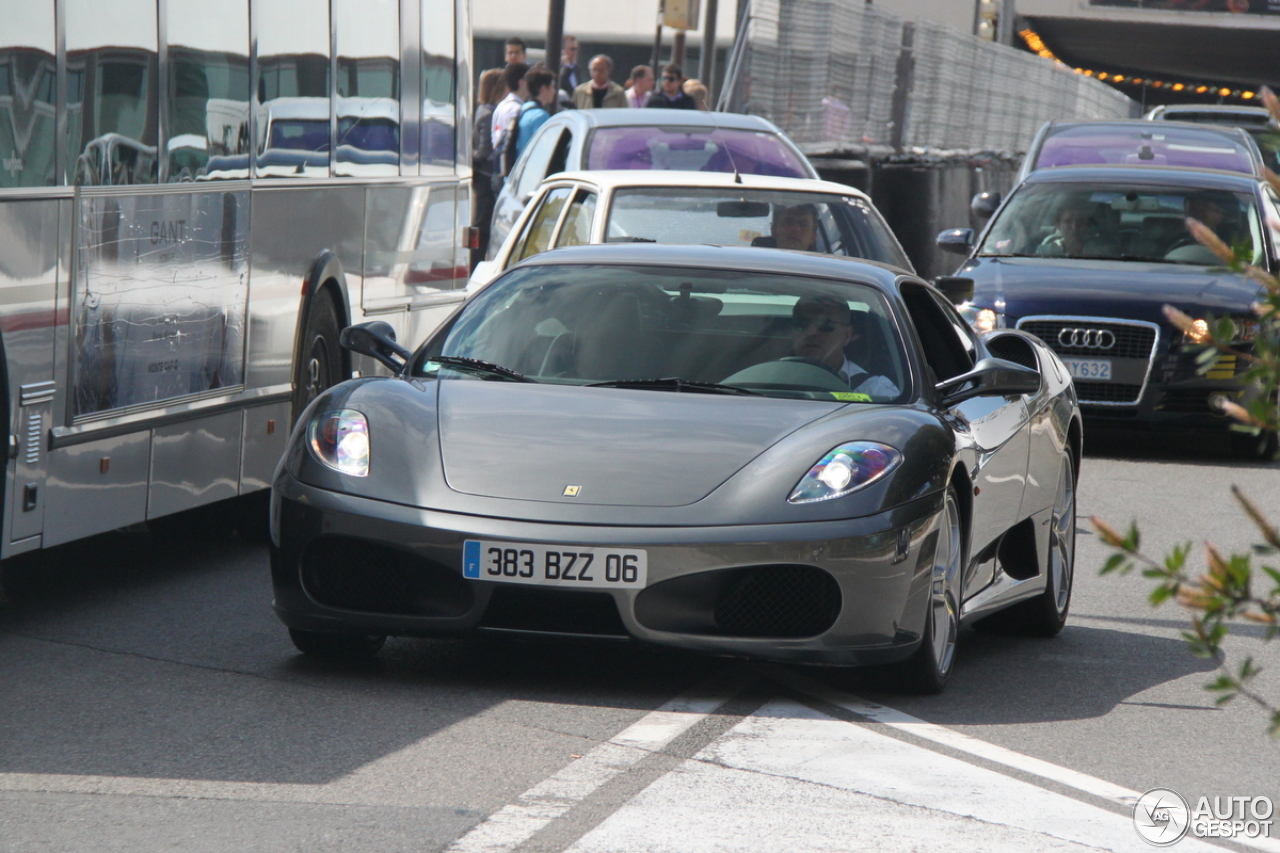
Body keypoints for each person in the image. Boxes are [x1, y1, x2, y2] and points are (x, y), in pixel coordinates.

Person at [789, 296, 899, 398]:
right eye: (801, 323)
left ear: (847, 335)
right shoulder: (772, 380)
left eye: (826, 325)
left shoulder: (876, 391)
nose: (811, 332)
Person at [471, 68, 506, 267]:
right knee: (483, 225)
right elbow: (485, 149)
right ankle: (476, 264)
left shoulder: (483, 110)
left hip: (482, 176)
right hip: (485, 177)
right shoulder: (488, 114)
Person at [512, 68, 557, 160]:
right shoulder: (540, 116)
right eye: (552, 87)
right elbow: (544, 150)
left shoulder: (524, 109)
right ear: (544, 89)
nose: (554, 91)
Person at [490, 62, 529, 169]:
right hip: (510, 167)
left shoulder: (501, 105)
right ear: (522, 83)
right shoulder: (516, 109)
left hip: (498, 163)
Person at [752, 204, 820, 251]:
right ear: (774, 230)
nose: (795, 229)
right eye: (788, 222)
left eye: (803, 225)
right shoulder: (753, 264)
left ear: (813, 237)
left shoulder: (823, 268)